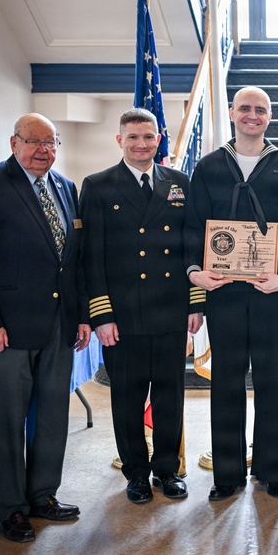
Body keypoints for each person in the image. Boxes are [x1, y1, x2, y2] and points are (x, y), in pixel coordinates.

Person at [0, 113, 91, 543]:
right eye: (34, 141)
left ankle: (42, 496)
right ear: (14, 142)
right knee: (8, 419)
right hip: (4, 331)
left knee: (52, 414)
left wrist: (82, 315)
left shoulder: (66, 188)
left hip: (59, 323)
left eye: (51, 143)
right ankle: (10, 509)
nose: (43, 150)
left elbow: (74, 261)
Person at [185, 86, 278, 501]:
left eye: (261, 110)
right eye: (246, 108)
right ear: (233, 113)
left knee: (271, 380)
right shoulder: (209, 167)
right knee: (227, 381)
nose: (253, 115)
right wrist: (196, 273)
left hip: (269, 291)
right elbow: (192, 228)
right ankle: (228, 473)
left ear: (269, 116)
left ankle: (273, 471)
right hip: (223, 292)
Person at [79, 108, 205, 504]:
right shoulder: (98, 186)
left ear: (158, 140)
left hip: (170, 309)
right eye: (133, 137)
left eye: (149, 137)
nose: (142, 144)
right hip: (124, 315)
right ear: (120, 141)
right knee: (128, 398)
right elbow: (91, 256)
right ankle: (136, 472)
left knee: (170, 395)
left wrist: (195, 302)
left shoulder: (179, 182)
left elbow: (192, 246)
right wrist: (101, 314)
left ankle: (167, 469)